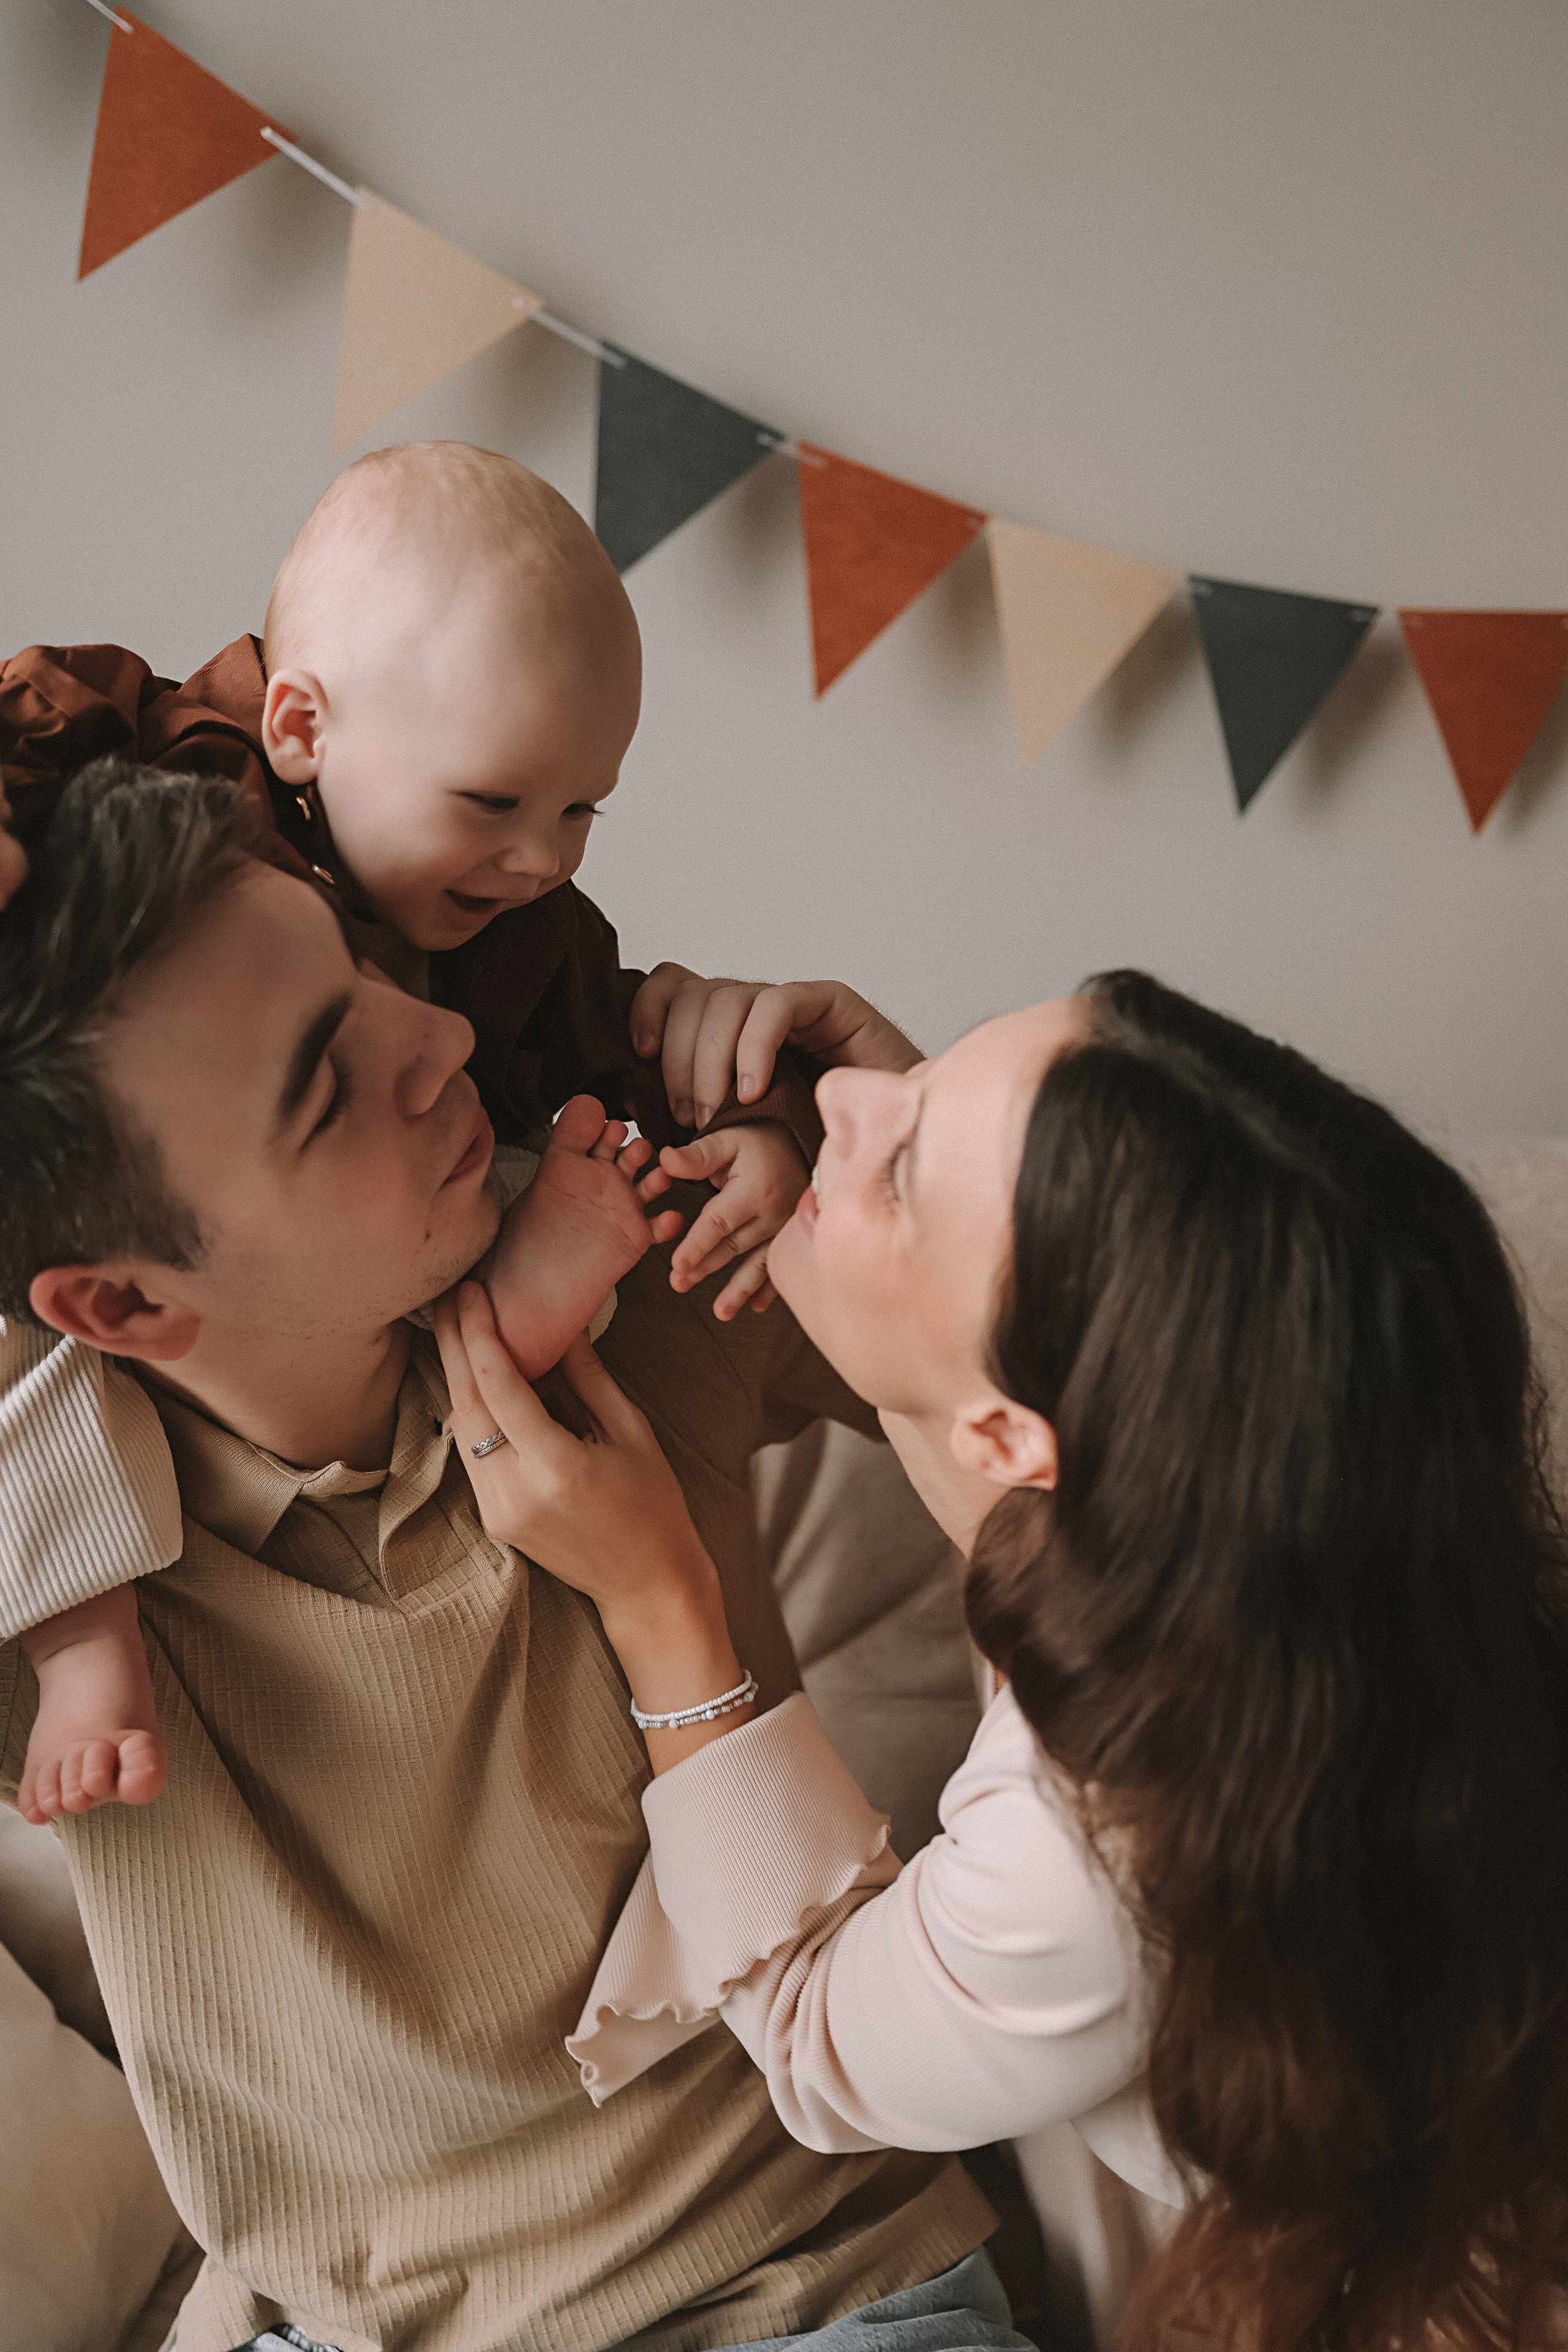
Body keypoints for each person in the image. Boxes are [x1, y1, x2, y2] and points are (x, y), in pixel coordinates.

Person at [0, 762, 1022, 2352]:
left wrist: (902, 1115)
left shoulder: (653, 1256)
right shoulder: (65, 1598)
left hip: (809, 2297)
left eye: (365, 974)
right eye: (328, 1086)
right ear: (120, 1309)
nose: (447, 1037)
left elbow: (1133, 1428)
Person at [437, 973, 1568, 2352]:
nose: (838, 1092)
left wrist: (660, 1597)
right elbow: (1012, 1426)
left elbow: (814, 2047)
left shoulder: (1099, 1845)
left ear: (1016, 1439)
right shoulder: (1277, 1550)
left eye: (901, 1159)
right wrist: (922, 1156)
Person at [0, 439, 894, 1828]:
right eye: (493, 805)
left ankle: (500, 1319)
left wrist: (790, 1124)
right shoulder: (191, 770)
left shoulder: (528, 946)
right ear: (298, 727)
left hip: (487, 1237)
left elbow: (636, 1068)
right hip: (115, 1283)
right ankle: (76, 1619)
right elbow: (53, 709)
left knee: (570, 1144)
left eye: (582, 808)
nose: (543, 858)